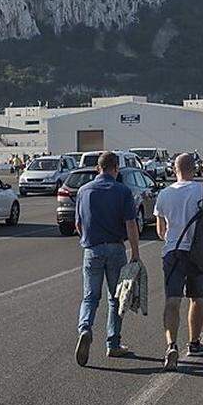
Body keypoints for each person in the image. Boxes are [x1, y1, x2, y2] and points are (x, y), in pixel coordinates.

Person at [155, 153, 203, 371]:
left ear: (175, 170)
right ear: (194, 169)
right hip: (198, 253)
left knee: (172, 300)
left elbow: (160, 230)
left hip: (173, 252)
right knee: (197, 298)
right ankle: (194, 343)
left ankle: (171, 345)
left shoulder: (164, 194)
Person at [74, 152, 141, 366]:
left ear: (98, 168)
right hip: (115, 249)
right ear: (116, 168)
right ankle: (113, 344)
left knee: (90, 297)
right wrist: (136, 253)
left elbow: (78, 224)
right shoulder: (122, 191)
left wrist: (87, 239)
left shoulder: (84, 191)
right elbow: (131, 223)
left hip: (92, 249)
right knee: (116, 298)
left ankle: (85, 329)